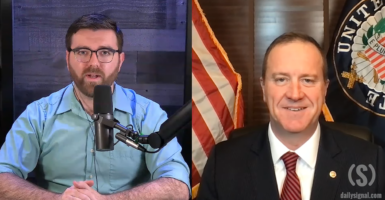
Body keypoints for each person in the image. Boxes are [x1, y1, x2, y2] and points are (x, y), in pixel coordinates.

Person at [0, 13, 190, 200]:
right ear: (68, 59)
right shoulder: (37, 115)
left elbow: (178, 186)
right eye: (82, 52)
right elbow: (2, 175)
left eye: (105, 52)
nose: (93, 63)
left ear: (120, 60)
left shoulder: (148, 114)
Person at [196, 32, 385, 200]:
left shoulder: (369, 161)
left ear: (325, 89)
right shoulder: (223, 163)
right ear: (263, 88)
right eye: (281, 79)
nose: (295, 94)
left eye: (308, 80)